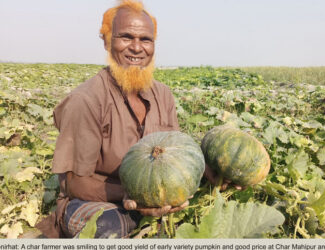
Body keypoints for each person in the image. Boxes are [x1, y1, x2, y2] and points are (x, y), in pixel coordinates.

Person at [37, 0, 242, 238]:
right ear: (106, 40)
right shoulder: (86, 100)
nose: (137, 47)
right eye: (125, 37)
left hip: (153, 194)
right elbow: (74, 184)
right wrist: (135, 193)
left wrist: (211, 171)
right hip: (101, 200)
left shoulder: (163, 95)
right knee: (108, 227)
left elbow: (178, 153)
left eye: (145, 39)